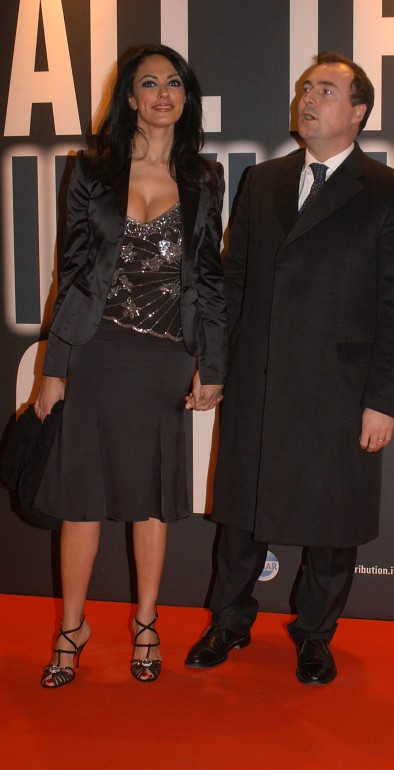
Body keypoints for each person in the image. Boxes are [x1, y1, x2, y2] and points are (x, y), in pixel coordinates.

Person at [185, 53, 394, 684]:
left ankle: (315, 635)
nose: (308, 99)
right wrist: (215, 365)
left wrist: (384, 400)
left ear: (359, 111)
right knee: (241, 515)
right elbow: (234, 281)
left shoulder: (392, 193)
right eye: (305, 89)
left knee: (333, 520)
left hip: (339, 388)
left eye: (326, 90)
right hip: (258, 379)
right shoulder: (263, 181)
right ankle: (228, 622)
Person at [35, 44, 228, 688]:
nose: (163, 94)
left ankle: (147, 623)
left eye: (174, 83)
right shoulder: (91, 169)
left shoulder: (204, 178)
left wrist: (212, 364)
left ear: (186, 97)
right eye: (149, 83)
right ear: (129, 98)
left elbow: (210, 278)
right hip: (96, 351)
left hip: (166, 356)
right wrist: (54, 365)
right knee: (81, 499)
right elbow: (72, 272)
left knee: (150, 498)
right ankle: (72, 627)